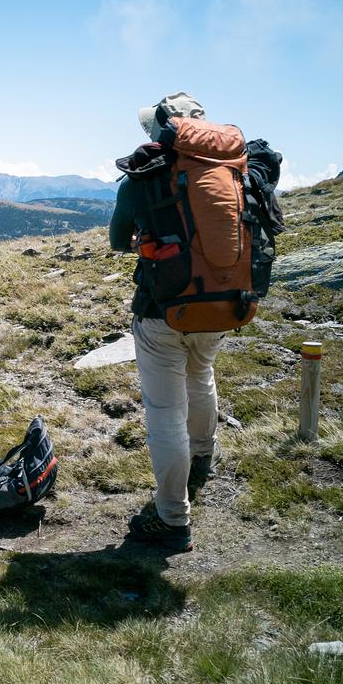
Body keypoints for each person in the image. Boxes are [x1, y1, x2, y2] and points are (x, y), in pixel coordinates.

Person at [109, 92, 221, 554]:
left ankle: (172, 518)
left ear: (160, 129)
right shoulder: (227, 169)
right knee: (202, 375)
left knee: (164, 412)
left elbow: (118, 240)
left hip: (162, 310)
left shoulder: (144, 173)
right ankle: (203, 458)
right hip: (219, 303)